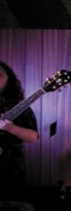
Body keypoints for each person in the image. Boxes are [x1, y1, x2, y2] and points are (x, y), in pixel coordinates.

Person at [0, 62, 39, 202]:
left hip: (10, 170)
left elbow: (33, 137)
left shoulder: (20, 107)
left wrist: (11, 128)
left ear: (8, 80)